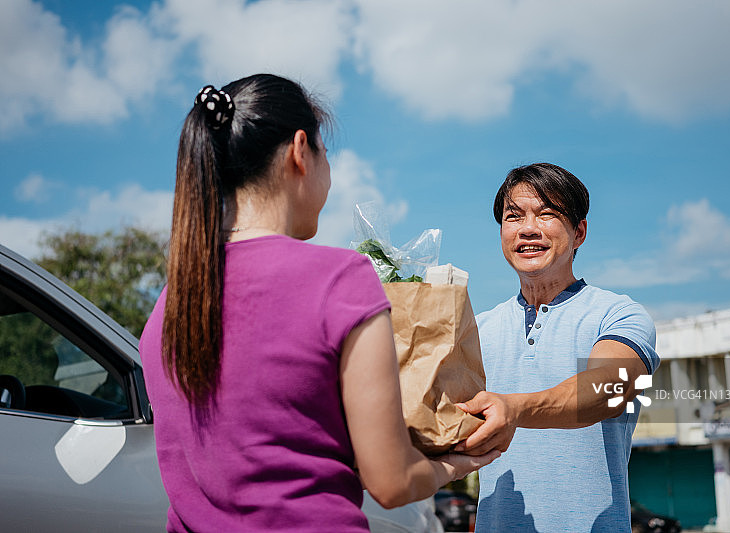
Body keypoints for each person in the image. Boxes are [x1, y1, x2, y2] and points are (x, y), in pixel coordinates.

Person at [138, 74, 498, 533]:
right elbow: (391, 482)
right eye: (326, 154)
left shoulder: (172, 303)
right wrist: (463, 461)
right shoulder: (340, 279)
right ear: (299, 151)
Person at [455, 163, 660, 532]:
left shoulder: (617, 314)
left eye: (547, 214)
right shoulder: (477, 329)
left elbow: (609, 391)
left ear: (579, 232)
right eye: (513, 216)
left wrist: (513, 408)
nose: (528, 228)